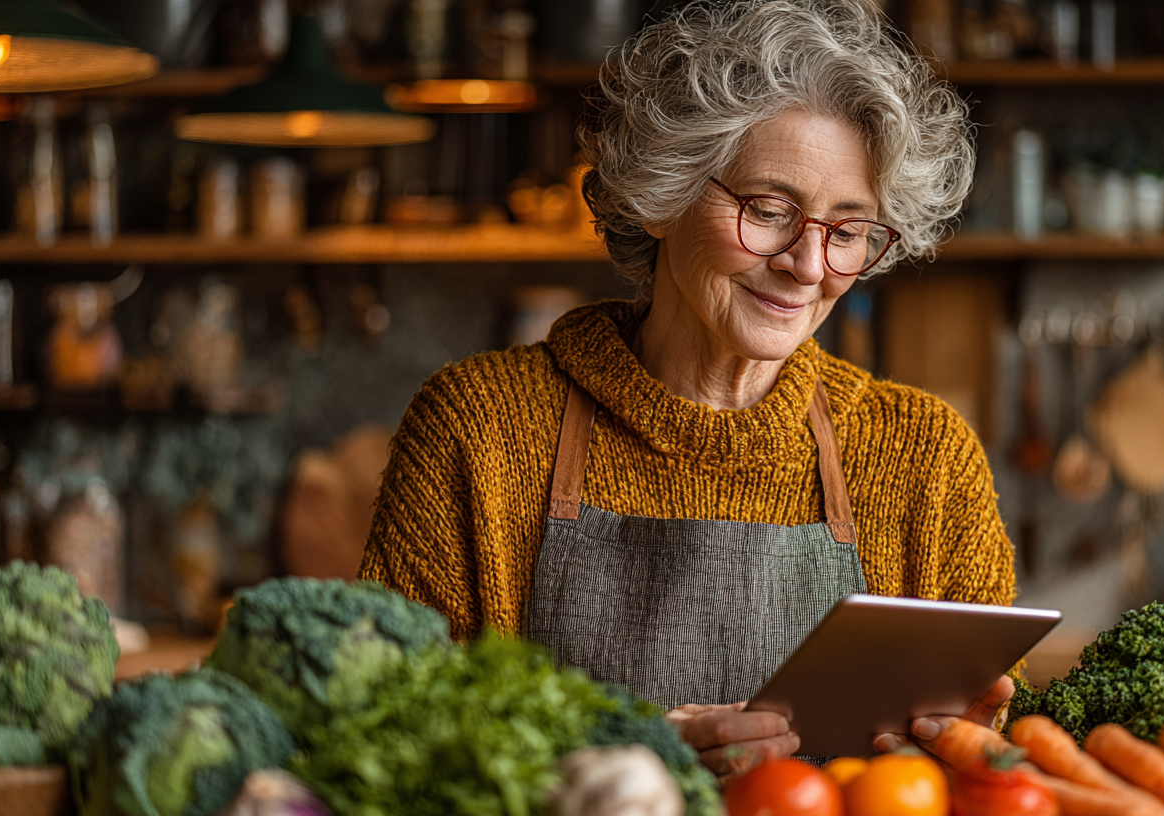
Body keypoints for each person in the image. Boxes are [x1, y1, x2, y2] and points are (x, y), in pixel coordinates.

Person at [359, 0, 1016, 781]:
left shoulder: (925, 456)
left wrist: (958, 755)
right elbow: (379, 741)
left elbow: (997, 756)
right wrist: (606, 758)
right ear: (662, 193)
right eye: (770, 212)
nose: (809, 266)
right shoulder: (480, 429)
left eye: (847, 232)